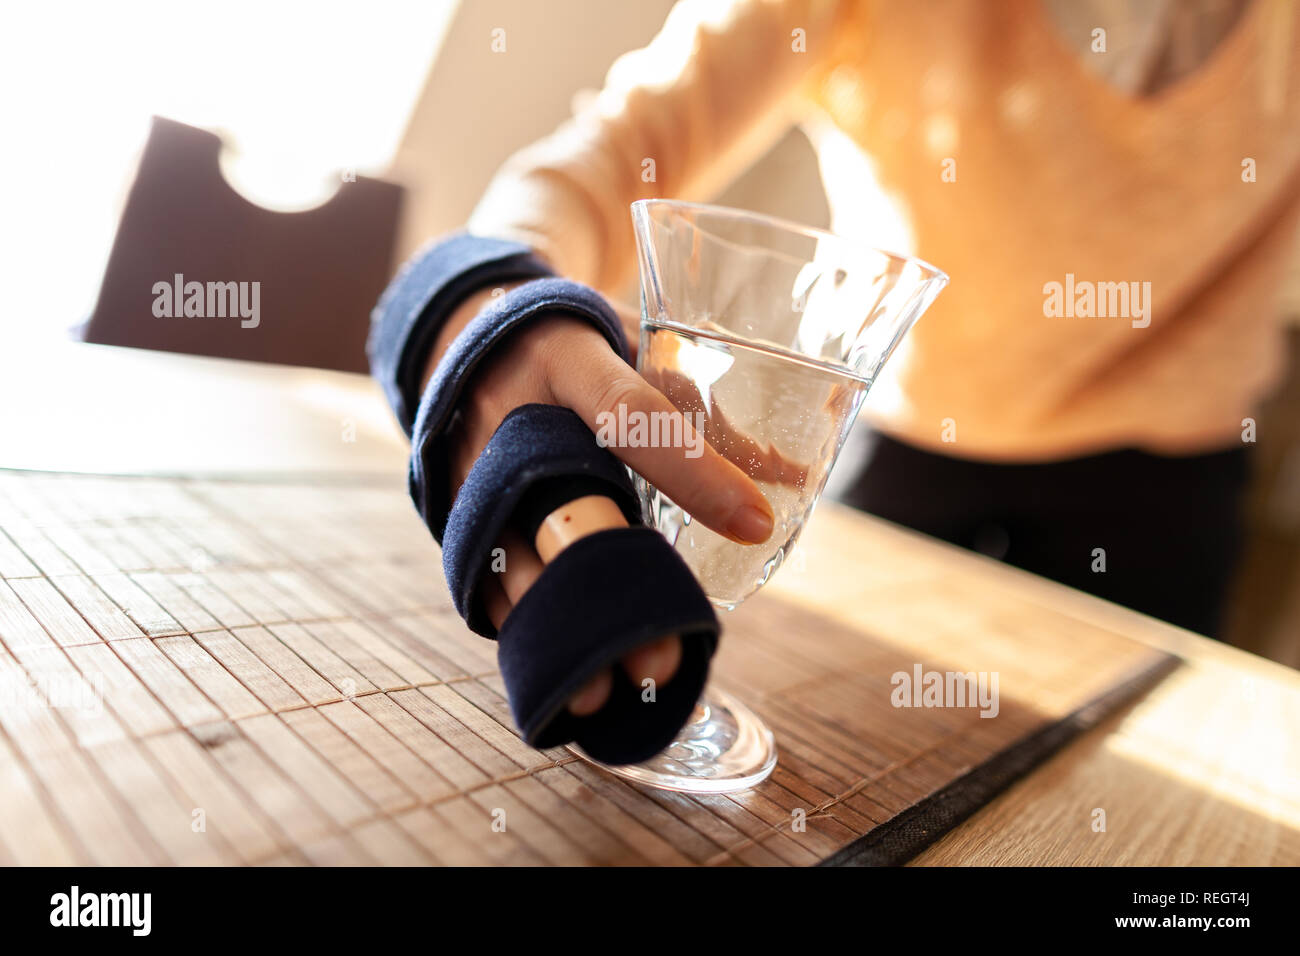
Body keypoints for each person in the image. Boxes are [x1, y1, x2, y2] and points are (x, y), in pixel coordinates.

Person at [410, 0, 1300, 718]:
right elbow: (611, 150)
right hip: (907, 443)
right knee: (845, 734)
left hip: (1166, 483)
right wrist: (501, 308)